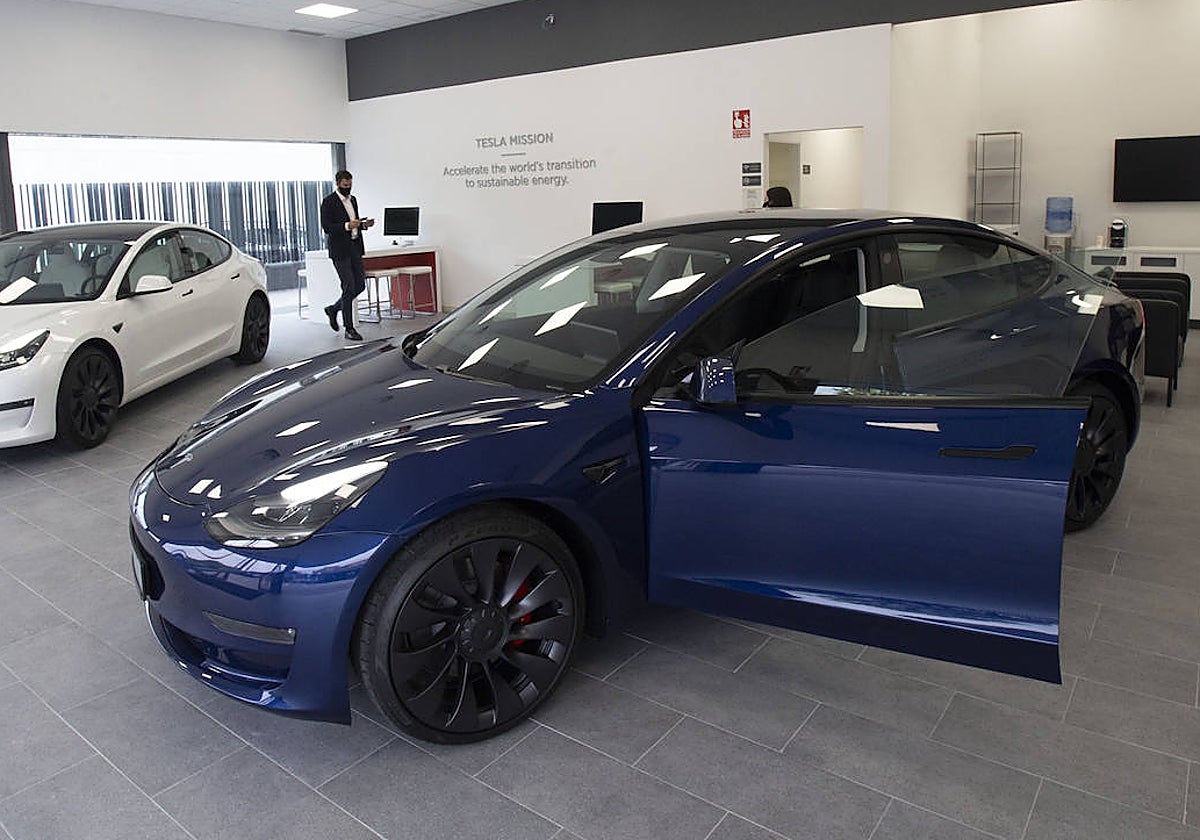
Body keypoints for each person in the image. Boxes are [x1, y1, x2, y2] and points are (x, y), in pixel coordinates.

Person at [320, 170, 374, 340]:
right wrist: (346, 226)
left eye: (350, 184)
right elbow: (327, 227)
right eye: (345, 185)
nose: (348, 187)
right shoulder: (329, 202)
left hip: (355, 247)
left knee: (360, 285)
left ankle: (334, 309)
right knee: (348, 286)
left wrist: (363, 225)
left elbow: (355, 223)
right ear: (338, 183)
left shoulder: (353, 200)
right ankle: (349, 328)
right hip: (340, 250)